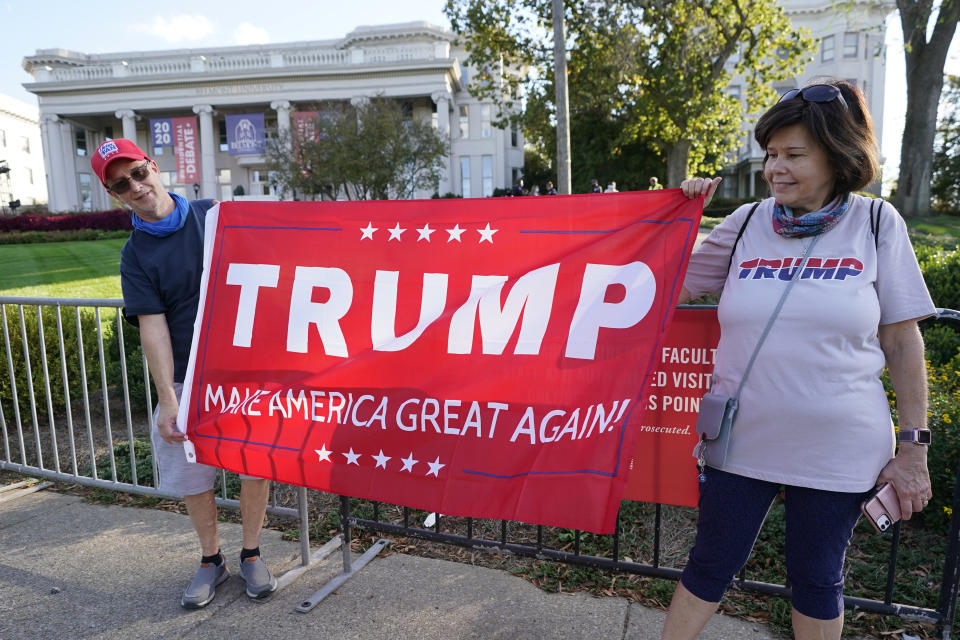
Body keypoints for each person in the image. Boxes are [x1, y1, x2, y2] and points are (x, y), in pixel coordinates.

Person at [662, 81, 934, 640]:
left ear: (837, 156)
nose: (774, 169)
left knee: (816, 578)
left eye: (793, 155)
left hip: (837, 447)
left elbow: (904, 342)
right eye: (770, 155)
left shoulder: (877, 224)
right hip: (741, 440)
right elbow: (663, 285)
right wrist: (679, 216)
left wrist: (913, 450)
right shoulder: (745, 223)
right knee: (709, 565)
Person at [91, 139, 278, 609]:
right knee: (192, 475)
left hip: (241, 372)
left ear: (153, 166)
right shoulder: (136, 255)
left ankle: (252, 552)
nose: (135, 186)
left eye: (137, 172)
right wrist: (168, 401)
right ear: (114, 194)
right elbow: (152, 331)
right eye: (121, 184)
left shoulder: (215, 214)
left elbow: (281, 251)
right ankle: (211, 559)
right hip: (187, 379)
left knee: (254, 466)